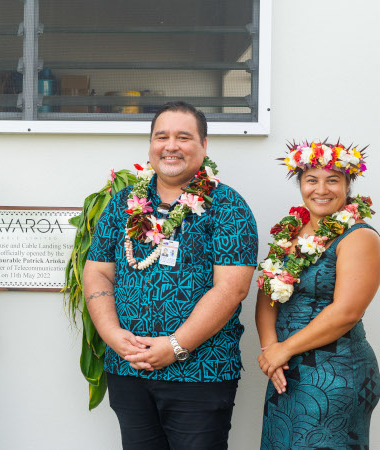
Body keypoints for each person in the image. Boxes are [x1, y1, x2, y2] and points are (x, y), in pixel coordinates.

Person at [83, 101, 258, 449]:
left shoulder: (227, 207)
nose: (171, 145)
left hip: (199, 373)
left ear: (204, 146)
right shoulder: (123, 205)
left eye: (184, 137)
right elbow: (98, 272)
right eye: (161, 136)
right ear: (150, 145)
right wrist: (112, 334)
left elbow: (231, 289)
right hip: (129, 370)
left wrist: (176, 347)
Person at [255, 141, 380, 449]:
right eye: (311, 180)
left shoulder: (359, 237)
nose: (321, 189)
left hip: (336, 373)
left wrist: (283, 350)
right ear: (300, 184)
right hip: (285, 370)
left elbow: (346, 313)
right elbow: (267, 293)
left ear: (348, 184)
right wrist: (271, 349)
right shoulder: (291, 233)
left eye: (333, 180)